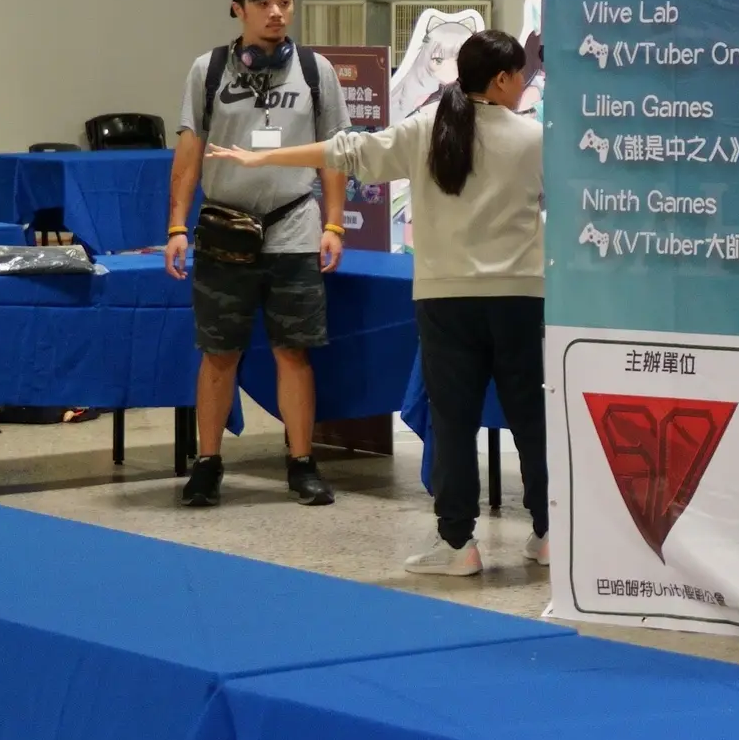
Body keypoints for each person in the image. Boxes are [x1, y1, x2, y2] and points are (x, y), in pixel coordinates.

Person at [212, 28, 545, 575]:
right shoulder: (534, 138)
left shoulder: (426, 127)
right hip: (521, 298)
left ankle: (458, 544)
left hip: (446, 300)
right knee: (531, 417)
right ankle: (549, 534)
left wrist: (261, 158)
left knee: (453, 423)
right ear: (503, 79)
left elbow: (348, 151)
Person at [165, 0, 347, 509]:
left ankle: (301, 462)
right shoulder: (208, 70)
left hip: (294, 225)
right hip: (225, 229)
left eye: (284, 3)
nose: (276, 13)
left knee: (294, 351)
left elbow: (335, 151)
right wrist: (176, 225)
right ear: (237, 8)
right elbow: (189, 152)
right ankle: (208, 463)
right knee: (219, 352)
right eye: (264, 3)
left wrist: (334, 224)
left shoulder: (315, 70)